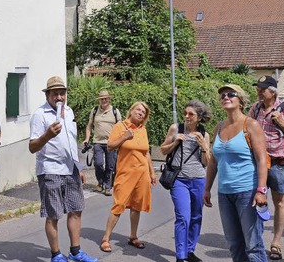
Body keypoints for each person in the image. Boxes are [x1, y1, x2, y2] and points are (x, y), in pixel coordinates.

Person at [29, 76, 98, 262]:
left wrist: (78, 167)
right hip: (50, 170)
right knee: (53, 214)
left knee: (76, 210)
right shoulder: (39, 115)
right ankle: (56, 255)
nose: (59, 97)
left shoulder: (68, 111)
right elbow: (32, 147)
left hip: (71, 170)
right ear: (48, 95)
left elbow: (69, 141)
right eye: (55, 94)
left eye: (62, 93)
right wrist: (47, 135)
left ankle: (76, 252)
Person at [204, 84, 268, 262]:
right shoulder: (218, 128)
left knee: (253, 245)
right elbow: (214, 161)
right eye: (222, 95)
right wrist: (207, 188)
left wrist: (261, 190)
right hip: (224, 194)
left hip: (247, 192)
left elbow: (262, 159)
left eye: (231, 94)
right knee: (234, 244)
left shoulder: (251, 125)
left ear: (241, 100)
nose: (226, 97)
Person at [248, 76, 284, 260]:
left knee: (278, 202)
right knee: (257, 200)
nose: (259, 92)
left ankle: (276, 242)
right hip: (257, 163)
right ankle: (256, 241)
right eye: (258, 89)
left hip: (278, 164)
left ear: (273, 91)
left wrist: (282, 123)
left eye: (263, 89)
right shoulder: (254, 109)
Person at [99, 101, 157, 253]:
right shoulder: (120, 126)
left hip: (142, 174)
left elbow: (146, 153)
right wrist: (124, 137)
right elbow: (110, 146)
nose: (140, 113)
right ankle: (106, 238)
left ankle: (133, 236)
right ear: (131, 111)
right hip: (125, 174)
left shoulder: (143, 129)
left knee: (137, 206)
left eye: (143, 112)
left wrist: (152, 173)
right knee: (118, 205)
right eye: (138, 110)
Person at [160, 101, 211, 262]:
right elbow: (163, 150)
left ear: (199, 118)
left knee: (196, 216)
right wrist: (175, 142)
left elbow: (206, 162)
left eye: (191, 114)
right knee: (183, 217)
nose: (187, 117)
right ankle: (181, 256)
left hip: (198, 179)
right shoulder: (176, 128)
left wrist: (204, 146)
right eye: (185, 113)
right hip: (179, 180)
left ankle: (190, 250)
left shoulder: (205, 134)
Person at [83, 90, 122, 196]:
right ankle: (101, 182)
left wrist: (119, 140)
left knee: (110, 166)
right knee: (98, 164)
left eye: (106, 98)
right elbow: (89, 126)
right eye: (102, 99)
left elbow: (120, 127)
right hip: (97, 142)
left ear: (109, 99)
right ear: (99, 100)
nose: (104, 100)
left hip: (111, 142)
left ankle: (107, 186)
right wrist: (87, 138)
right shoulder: (95, 110)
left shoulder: (115, 111)